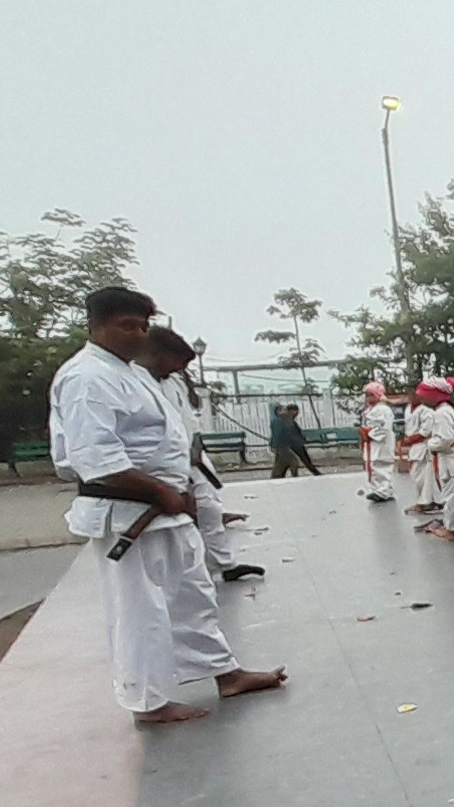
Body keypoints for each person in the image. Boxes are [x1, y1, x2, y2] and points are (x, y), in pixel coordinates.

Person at [48, 286, 285, 724]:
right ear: (97, 326)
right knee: (140, 609)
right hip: (127, 513)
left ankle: (225, 673)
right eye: (126, 326)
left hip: (167, 507)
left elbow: (166, 439)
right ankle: (148, 702)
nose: (137, 335)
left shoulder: (132, 373)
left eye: (143, 326)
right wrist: (162, 493)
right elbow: (96, 460)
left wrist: (181, 487)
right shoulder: (86, 378)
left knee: (193, 593)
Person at [139, 328, 261, 583]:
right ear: (157, 355)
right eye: (176, 363)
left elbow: (191, 420)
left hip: (192, 456)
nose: (178, 369)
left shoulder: (173, 381)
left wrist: (195, 449)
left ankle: (223, 564)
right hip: (162, 463)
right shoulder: (136, 382)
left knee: (209, 508)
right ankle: (191, 572)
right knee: (179, 518)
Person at [418, 381, 454, 541]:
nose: (423, 400)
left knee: (453, 497)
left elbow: (445, 439)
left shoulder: (441, 413)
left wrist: (430, 443)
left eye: (424, 396)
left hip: (453, 458)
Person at [358, 381, 398, 502]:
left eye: (371, 395)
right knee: (374, 466)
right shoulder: (370, 410)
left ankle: (382, 491)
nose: (368, 398)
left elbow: (383, 428)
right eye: (367, 395)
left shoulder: (382, 409)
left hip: (381, 442)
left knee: (381, 465)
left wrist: (367, 433)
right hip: (373, 443)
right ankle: (380, 489)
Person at [401, 386, 438, 514]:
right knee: (415, 475)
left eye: (416, 395)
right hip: (413, 446)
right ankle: (422, 501)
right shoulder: (408, 409)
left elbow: (426, 431)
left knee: (424, 475)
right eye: (410, 395)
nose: (412, 398)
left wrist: (411, 439)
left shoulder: (426, 411)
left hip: (423, 444)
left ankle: (426, 502)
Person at [269, 403, 321, 478]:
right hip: (288, 445)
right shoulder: (278, 421)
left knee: (283, 462)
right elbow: (277, 434)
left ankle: (278, 476)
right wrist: (274, 444)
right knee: (291, 461)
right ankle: (287, 476)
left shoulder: (287, 420)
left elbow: (296, 431)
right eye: (282, 410)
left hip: (292, 444)